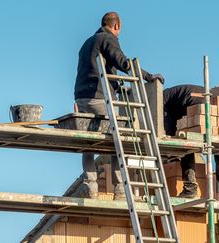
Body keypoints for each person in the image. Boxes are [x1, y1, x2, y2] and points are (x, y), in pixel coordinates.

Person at [74, 12, 164, 199]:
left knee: (88, 143)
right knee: (116, 142)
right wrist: (148, 76)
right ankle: (120, 190)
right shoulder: (108, 38)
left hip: (82, 97)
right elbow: (123, 62)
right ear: (117, 26)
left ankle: (89, 186)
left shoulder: (87, 43)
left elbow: (99, 67)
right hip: (100, 97)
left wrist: (116, 84)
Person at [163, 84, 219, 201]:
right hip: (211, 103)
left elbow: (170, 130)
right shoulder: (172, 95)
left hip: (194, 105)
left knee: (185, 145)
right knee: (218, 146)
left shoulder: (161, 100)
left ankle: (190, 189)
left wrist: (173, 151)